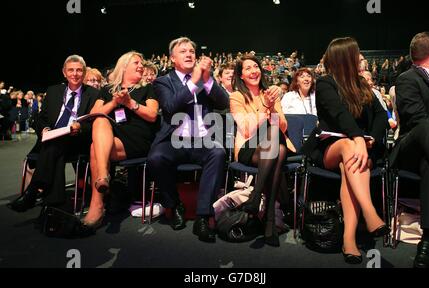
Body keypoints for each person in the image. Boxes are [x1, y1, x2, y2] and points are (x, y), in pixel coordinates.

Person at [301, 37, 389, 264]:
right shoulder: (325, 83)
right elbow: (340, 114)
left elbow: (381, 116)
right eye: (356, 53)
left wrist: (371, 141)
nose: (361, 57)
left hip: (360, 149)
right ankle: (370, 213)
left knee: (350, 162)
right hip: (330, 147)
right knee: (350, 147)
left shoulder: (361, 83)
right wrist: (358, 138)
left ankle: (348, 239)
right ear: (346, 57)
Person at [147, 37, 228, 243]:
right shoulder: (163, 81)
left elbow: (224, 102)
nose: (189, 54)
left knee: (218, 153)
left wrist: (207, 79)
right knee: (156, 158)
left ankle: (203, 216)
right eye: (183, 51)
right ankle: (173, 206)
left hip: (202, 139)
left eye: (192, 50)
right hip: (173, 140)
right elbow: (171, 107)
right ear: (173, 58)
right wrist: (194, 81)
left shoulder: (204, 78)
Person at [8, 55, 99, 214]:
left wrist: (81, 128)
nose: (75, 74)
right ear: (64, 72)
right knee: (55, 146)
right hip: (52, 139)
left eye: (79, 70)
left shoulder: (93, 94)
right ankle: (53, 204)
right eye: (71, 70)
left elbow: (94, 121)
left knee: (54, 146)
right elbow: (40, 118)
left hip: (77, 140)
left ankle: (33, 191)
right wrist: (44, 129)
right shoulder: (54, 91)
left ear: (84, 73)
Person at [391, 31, 429, 268]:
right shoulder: (407, 79)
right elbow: (415, 119)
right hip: (411, 147)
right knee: (426, 128)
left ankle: (428, 240)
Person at [82, 51, 159, 228]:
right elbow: (92, 114)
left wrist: (130, 103)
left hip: (137, 138)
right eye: (136, 63)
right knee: (100, 121)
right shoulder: (107, 90)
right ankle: (102, 177)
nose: (141, 66)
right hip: (112, 136)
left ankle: (97, 203)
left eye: (142, 63)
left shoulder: (147, 88)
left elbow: (153, 115)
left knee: (96, 148)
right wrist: (114, 103)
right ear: (123, 67)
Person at [230, 54, 295, 247]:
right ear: (241, 75)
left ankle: (257, 197)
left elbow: (282, 127)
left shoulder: (271, 94)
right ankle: (269, 220)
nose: (253, 70)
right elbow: (246, 128)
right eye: (248, 68)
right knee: (278, 149)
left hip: (270, 147)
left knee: (278, 144)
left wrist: (273, 107)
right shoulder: (236, 96)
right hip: (248, 147)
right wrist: (265, 107)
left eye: (255, 66)